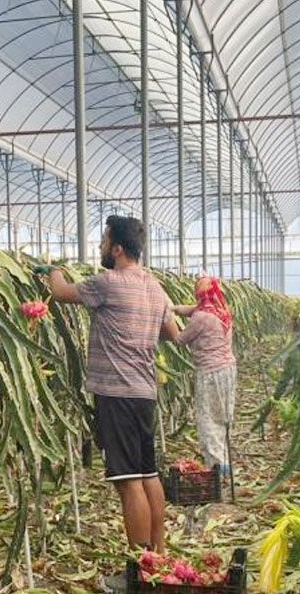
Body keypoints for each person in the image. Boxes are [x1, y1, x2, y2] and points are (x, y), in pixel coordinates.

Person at [44, 216, 180, 553]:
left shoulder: (108, 282)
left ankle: (140, 565)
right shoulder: (155, 288)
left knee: (127, 482)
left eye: (105, 241)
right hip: (145, 393)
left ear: (117, 249)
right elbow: (171, 333)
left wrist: (52, 269)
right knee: (148, 473)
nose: (101, 246)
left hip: (116, 394)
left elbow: (59, 293)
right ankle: (158, 554)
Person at [172, 277, 237, 474]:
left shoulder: (201, 318)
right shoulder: (221, 311)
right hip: (228, 370)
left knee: (208, 418)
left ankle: (216, 468)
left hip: (210, 373)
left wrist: (165, 323)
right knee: (223, 416)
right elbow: (192, 309)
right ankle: (224, 461)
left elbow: (180, 339)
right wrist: (174, 308)